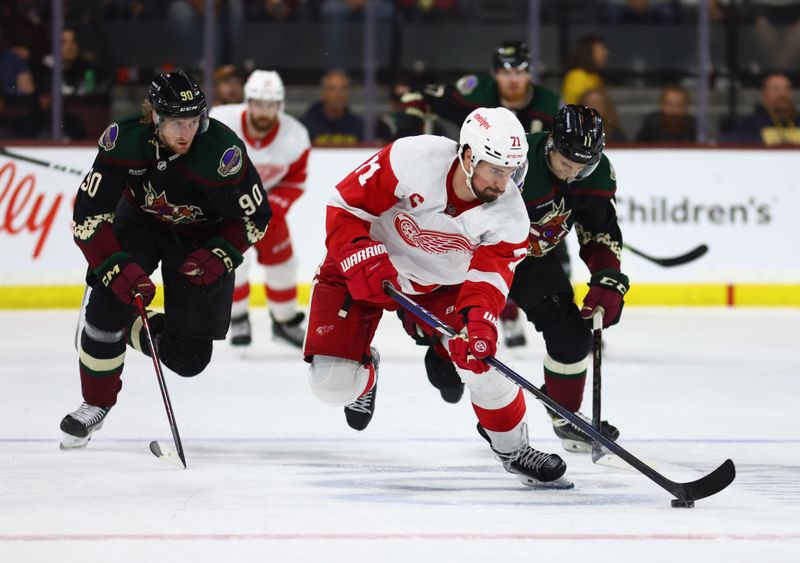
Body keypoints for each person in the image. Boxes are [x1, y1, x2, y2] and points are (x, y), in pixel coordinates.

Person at [302, 106, 572, 489]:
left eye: (511, 171)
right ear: (467, 157)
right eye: (495, 170)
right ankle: (365, 373)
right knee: (331, 384)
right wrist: (363, 255)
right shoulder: (412, 158)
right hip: (363, 264)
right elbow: (345, 206)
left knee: (484, 364)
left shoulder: (511, 216)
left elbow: (488, 280)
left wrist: (479, 321)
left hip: (439, 289)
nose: (502, 183)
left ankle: (513, 450)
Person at [60, 70, 270, 449]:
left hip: (202, 239)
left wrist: (220, 255)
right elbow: (87, 217)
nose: (185, 132)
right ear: (155, 117)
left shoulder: (223, 153)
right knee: (108, 305)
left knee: (190, 359)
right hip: (141, 221)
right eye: (176, 122)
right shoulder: (123, 140)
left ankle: (122, 328)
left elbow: (256, 217)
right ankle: (95, 402)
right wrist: (113, 267)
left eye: (193, 121)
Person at [410, 105, 628, 455]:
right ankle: (441, 350)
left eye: (583, 166)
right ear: (550, 145)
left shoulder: (597, 173)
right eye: (566, 163)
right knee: (454, 361)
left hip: (531, 262)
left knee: (572, 336)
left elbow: (599, 227)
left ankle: (565, 415)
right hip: (478, 258)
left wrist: (607, 276)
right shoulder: (513, 164)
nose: (573, 174)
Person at [210, 70, 311, 348]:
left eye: (270, 105)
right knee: (235, 266)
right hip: (228, 212)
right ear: (248, 102)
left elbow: (295, 180)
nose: (264, 112)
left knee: (284, 267)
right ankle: (239, 317)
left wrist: (271, 209)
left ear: (279, 106)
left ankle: (284, 321)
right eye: (258, 104)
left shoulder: (295, 136)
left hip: (268, 214)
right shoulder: (221, 122)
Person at [398, 40, 561, 137]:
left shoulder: (550, 105)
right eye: (505, 72)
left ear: (529, 75)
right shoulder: (476, 94)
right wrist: (408, 132)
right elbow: (419, 93)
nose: (513, 80)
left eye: (518, 72)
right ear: (495, 74)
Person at [729, 73, 799, 146]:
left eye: (786, 89)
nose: (782, 93)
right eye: (776, 89)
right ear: (764, 94)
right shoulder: (750, 124)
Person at [301, 69, 364, 145]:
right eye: (332, 89)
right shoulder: (305, 126)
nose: (338, 94)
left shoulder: (359, 126)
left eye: (343, 88)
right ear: (323, 93)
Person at [561, 35, 608, 105]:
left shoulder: (594, 77)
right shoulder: (577, 77)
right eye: (601, 49)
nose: (606, 53)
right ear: (588, 51)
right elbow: (573, 108)